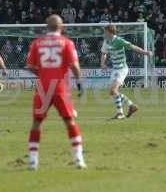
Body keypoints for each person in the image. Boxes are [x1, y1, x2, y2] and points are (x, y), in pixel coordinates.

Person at [26, 14, 86, 170]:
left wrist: (44, 74)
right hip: (60, 87)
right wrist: (80, 84)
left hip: (43, 88)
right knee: (69, 120)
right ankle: (79, 159)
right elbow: (74, 66)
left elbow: (30, 67)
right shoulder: (66, 43)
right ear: (62, 27)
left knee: (36, 122)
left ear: (47, 27)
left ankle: (33, 161)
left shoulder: (37, 43)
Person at [100, 24, 153, 119]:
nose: (104, 33)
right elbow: (104, 53)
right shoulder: (106, 41)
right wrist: (103, 63)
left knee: (113, 90)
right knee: (112, 92)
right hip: (115, 69)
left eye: (105, 31)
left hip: (121, 69)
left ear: (109, 32)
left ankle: (120, 113)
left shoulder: (119, 41)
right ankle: (131, 106)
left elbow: (132, 47)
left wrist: (146, 52)